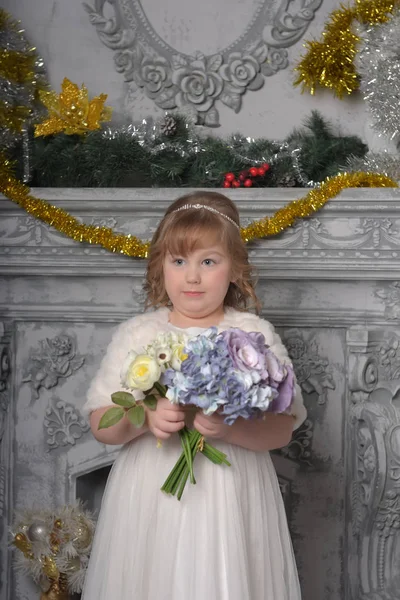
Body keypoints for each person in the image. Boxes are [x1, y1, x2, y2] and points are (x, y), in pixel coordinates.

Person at [81, 191, 307, 600]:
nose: (192, 277)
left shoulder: (253, 336)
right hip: (151, 495)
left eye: (208, 261)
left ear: (235, 269)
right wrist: (145, 418)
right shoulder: (139, 335)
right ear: (160, 267)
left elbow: (282, 429)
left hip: (231, 495)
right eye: (179, 261)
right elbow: (101, 424)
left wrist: (229, 429)